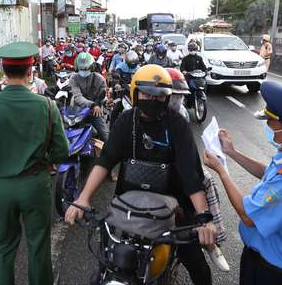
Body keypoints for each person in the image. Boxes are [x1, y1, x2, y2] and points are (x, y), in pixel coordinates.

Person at [65, 65, 217, 285]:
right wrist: (82, 199)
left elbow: (191, 176)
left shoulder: (178, 125)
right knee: (105, 264)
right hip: (129, 200)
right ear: (136, 93)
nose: (152, 100)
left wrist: (203, 217)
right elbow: (105, 161)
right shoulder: (125, 121)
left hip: (176, 203)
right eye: (146, 94)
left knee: (199, 267)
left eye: (159, 96)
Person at [203, 81, 282, 285]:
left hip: (272, 274)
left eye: (272, 123)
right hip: (266, 264)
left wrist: (222, 171)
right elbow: (269, 171)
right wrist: (231, 152)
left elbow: (248, 216)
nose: (268, 127)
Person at [0, 42, 69, 285]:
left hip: (1, 187)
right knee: (39, 244)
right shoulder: (47, 106)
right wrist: (45, 162)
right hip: (36, 184)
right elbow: (62, 150)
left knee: (2, 247)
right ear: (31, 71)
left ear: (4, 70)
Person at [165, 67, 230, 272]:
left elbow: (186, 149)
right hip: (148, 171)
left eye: (180, 96)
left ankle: (212, 241)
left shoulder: (182, 114)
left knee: (206, 178)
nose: (177, 100)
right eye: (173, 96)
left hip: (178, 166)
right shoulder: (137, 115)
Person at [69, 53, 117, 181]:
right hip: (79, 111)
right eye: (81, 69)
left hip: (95, 113)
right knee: (69, 134)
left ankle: (109, 168)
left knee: (106, 137)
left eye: (86, 69)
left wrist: (106, 102)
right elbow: (77, 97)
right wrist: (92, 104)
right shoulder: (74, 78)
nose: (84, 71)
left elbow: (104, 97)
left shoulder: (100, 78)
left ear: (92, 68)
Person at [110, 51, 141, 124]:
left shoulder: (139, 69)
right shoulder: (120, 66)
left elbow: (143, 78)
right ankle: (112, 129)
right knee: (115, 109)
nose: (132, 66)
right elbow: (116, 75)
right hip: (122, 91)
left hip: (135, 92)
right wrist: (117, 84)